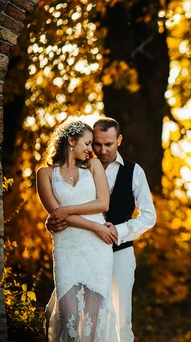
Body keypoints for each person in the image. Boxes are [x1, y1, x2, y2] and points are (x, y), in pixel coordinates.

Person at [48, 117, 157, 342]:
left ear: (119, 140)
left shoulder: (134, 172)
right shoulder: (80, 167)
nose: (102, 150)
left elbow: (149, 216)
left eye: (109, 144)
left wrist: (118, 231)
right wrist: (50, 222)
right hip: (83, 253)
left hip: (119, 254)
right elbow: (62, 205)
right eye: (97, 144)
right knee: (82, 320)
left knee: (121, 322)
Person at [37, 120, 119, 341]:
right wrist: (95, 226)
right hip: (67, 248)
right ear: (71, 141)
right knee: (69, 316)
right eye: (87, 143)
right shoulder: (44, 174)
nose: (91, 149)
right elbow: (56, 213)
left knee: (93, 320)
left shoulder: (94, 167)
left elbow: (103, 203)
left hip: (96, 249)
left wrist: (68, 210)